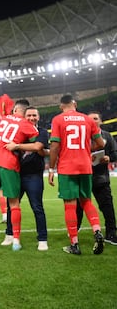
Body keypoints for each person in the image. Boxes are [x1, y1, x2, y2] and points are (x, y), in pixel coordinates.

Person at [0, 100, 39, 251]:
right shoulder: (26, 124)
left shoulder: (5, 119)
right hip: (9, 164)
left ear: (15, 110)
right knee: (13, 203)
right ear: (24, 112)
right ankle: (16, 241)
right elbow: (35, 141)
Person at [48, 93, 105, 255]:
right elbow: (100, 143)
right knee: (86, 201)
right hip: (86, 166)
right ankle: (97, 231)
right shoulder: (88, 119)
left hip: (67, 167)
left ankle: (74, 243)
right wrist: (86, 149)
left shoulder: (58, 119)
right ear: (75, 103)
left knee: (70, 205)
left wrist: (51, 169)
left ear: (61, 106)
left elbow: (54, 147)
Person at [2, 105, 50, 251]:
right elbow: (6, 147)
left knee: (37, 207)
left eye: (34, 115)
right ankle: (9, 234)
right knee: (12, 206)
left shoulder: (41, 132)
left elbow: (39, 148)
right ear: (24, 117)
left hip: (33, 175)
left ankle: (42, 238)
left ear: (38, 117)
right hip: (16, 173)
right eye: (28, 115)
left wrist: (17, 146)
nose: (31, 118)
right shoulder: (18, 130)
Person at [76, 111, 117, 245]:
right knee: (78, 208)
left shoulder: (107, 136)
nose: (92, 121)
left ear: (100, 121)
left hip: (100, 178)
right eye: (89, 119)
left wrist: (109, 158)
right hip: (82, 177)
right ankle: (74, 233)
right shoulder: (80, 136)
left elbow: (115, 153)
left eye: (95, 119)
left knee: (107, 207)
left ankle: (111, 234)